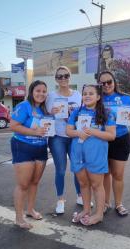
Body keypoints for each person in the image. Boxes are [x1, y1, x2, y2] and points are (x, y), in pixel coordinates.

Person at [67, 85, 116, 226]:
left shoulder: (106, 113)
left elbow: (111, 135)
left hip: (96, 155)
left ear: (98, 97)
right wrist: (78, 133)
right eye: (85, 94)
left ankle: (99, 214)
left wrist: (92, 131)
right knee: (83, 183)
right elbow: (68, 131)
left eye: (91, 93)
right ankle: (86, 210)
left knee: (96, 185)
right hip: (77, 154)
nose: (87, 96)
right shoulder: (76, 112)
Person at [98, 71, 130, 216]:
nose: (106, 85)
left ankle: (119, 204)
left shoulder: (125, 98)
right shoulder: (97, 99)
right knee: (105, 174)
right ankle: (105, 203)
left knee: (118, 174)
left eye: (109, 81)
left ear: (114, 82)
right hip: (102, 139)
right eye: (102, 83)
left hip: (121, 139)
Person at [10, 80, 49, 229]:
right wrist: (34, 132)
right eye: (38, 90)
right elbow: (13, 126)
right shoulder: (23, 106)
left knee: (34, 182)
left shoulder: (44, 110)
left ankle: (30, 209)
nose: (41, 94)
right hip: (23, 146)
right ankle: (19, 218)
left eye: (44, 91)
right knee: (23, 184)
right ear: (32, 92)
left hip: (41, 148)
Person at [46, 66, 82, 214]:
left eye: (65, 75)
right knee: (60, 170)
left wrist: (75, 116)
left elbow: (85, 114)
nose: (63, 79)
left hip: (74, 136)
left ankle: (80, 196)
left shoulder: (78, 95)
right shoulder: (51, 96)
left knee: (77, 168)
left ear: (70, 77)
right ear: (56, 79)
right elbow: (44, 116)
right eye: (60, 76)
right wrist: (51, 113)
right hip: (58, 137)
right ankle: (60, 200)